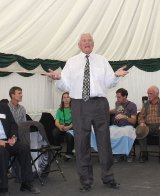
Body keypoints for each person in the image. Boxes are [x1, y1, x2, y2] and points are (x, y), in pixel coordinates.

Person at [48, 33, 128, 192]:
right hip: (78, 104)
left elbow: (109, 83)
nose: (87, 42)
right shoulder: (71, 62)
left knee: (104, 142)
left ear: (93, 44)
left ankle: (108, 177)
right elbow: (64, 86)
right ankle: (85, 181)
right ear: (79, 45)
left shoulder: (102, 60)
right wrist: (57, 78)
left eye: (90, 40)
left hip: (99, 103)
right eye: (84, 40)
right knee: (81, 143)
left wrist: (116, 76)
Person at [0, 102, 40, 195]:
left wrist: (13, 136)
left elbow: (13, 124)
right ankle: (3, 187)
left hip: (7, 141)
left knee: (24, 147)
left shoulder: (3, 107)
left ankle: (26, 182)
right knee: (2, 152)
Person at [137, 86, 160, 163]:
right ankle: (144, 154)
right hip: (148, 126)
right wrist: (141, 122)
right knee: (140, 130)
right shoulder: (146, 104)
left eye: (150, 93)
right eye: (148, 93)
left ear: (157, 94)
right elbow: (141, 116)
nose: (148, 95)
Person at [110, 88, 137, 163]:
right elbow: (116, 110)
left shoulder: (132, 105)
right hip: (117, 125)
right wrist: (107, 111)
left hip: (127, 126)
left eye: (119, 97)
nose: (117, 99)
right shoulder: (117, 103)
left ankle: (128, 154)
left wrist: (125, 117)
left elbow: (134, 121)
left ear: (125, 96)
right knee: (110, 131)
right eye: (116, 97)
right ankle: (116, 154)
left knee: (126, 131)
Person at [52, 92, 74, 159]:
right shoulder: (59, 110)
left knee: (69, 135)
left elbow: (76, 121)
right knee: (54, 132)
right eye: (64, 97)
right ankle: (57, 150)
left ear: (70, 99)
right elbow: (56, 122)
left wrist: (69, 127)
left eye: (68, 97)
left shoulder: (74, 108)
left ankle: (69, 153)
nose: (66, 99)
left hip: (71, 126)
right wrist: (60, 127)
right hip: (62, 126)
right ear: (62, 99)